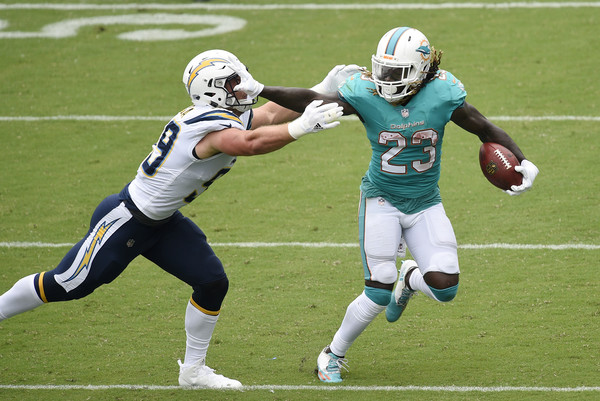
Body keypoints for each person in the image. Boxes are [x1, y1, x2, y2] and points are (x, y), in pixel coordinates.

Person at [0, 49, 343, 389]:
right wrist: (299, 127)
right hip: (128, 219)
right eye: (235, 82)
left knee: (211, 281)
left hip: (161, 222)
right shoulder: (212, 128)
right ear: (213, 91)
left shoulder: (216, 111)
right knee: (66, 283)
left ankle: (193, 372)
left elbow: (267, 114)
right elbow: (250, 142)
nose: (244, 88)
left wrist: (320, 89)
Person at [232, 27, 539, 383]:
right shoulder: (365, 92)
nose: (386, 80)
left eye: (396, 73)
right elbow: (312, 99)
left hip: (425, 201)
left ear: (422, 71)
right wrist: (262, 90)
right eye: (382, 70)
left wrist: (523, 160)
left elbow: (484, 128)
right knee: (378, 288)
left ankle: (410, 278)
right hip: (381, 198)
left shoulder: (443, 92)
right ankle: (332, 355)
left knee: (445, 287)